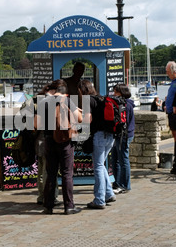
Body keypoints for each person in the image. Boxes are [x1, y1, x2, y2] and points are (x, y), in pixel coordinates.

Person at [35, 79, 83, 215]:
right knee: (67, 174)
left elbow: (35, 124)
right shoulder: (68, 101)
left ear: (55, 91)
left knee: (51, 173)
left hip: (49, 140)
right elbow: (80, 119)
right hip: (65, 141)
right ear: (65, 93)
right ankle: (69, 206)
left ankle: (48, 206)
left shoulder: (43, 102)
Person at [77, 80, 117, 210]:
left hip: (98, 136)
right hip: (110, 136)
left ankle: (99, 199)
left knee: (98, 166)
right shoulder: (102, 98)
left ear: (82, 90)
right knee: (102, 165)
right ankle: (109, 193)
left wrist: (77, 115)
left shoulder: (88, 100)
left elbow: (87, 120)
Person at [111, 84, 135, 194]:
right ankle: (118, 182)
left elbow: (125, 121)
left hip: (124, 135)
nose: (113, 94)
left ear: (121, 93)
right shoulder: (123, 104)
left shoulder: (126, 105)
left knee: (123, 160)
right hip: (120, 135)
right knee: (115, 159)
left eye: (115, 92)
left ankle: (125, 185)